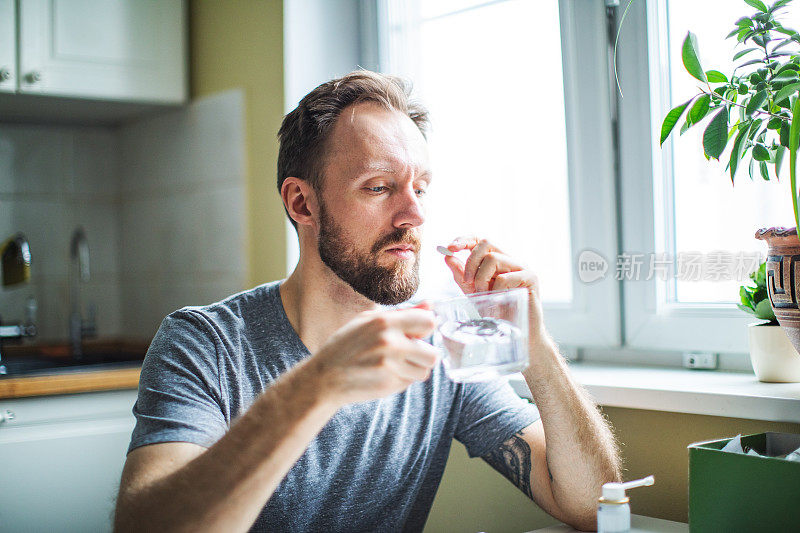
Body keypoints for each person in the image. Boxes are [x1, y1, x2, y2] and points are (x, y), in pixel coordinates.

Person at [113, 70, 621, 533]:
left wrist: (535, 345)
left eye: (420, 187)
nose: (414, 215)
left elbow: (591, 507)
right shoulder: (205, 344)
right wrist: (318, 386)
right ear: (301, 203)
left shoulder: (438, 346)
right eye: (379, 187)